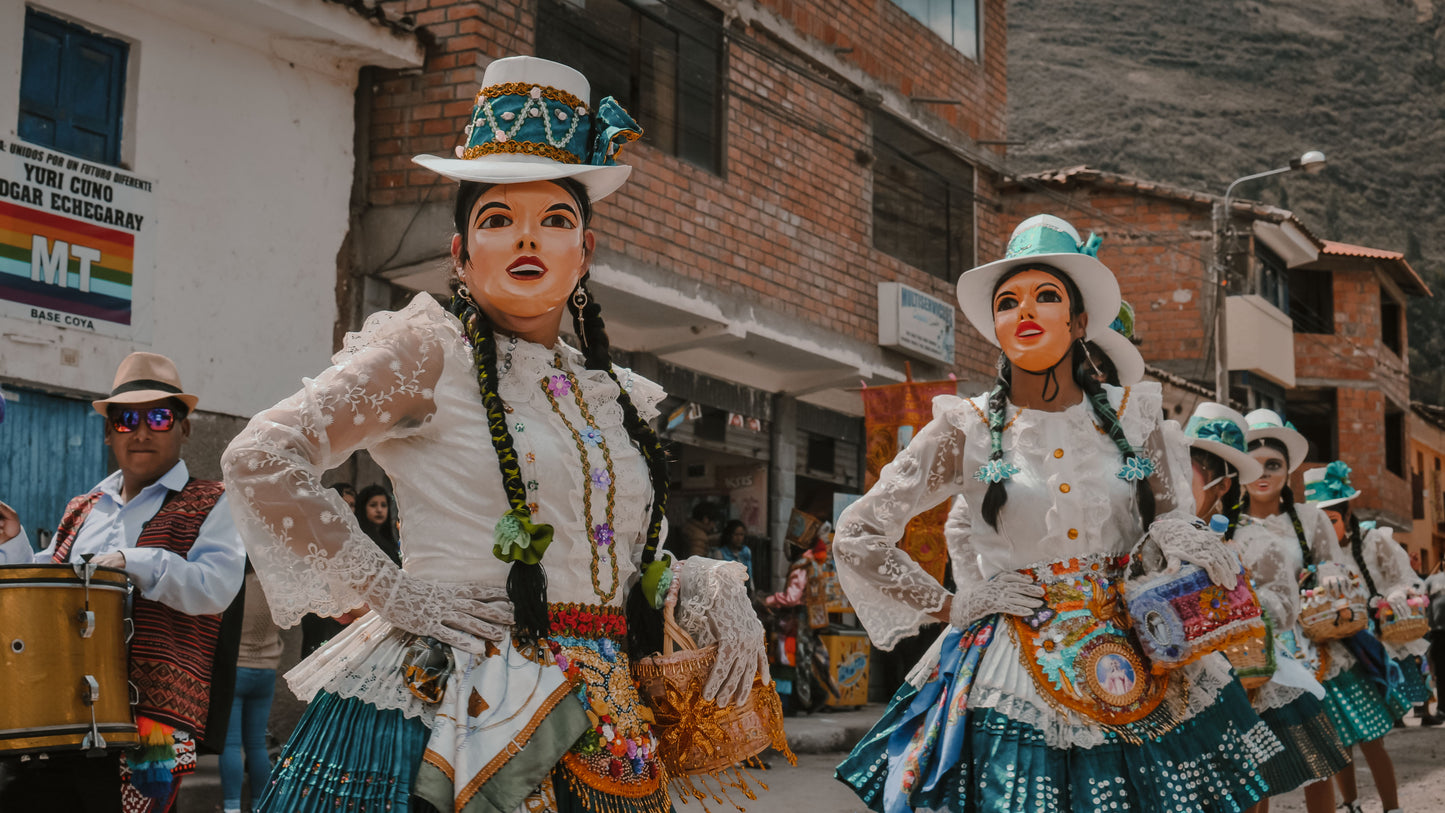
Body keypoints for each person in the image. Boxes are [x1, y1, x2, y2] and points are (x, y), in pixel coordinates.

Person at [221, 56, 770, 813]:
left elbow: (606, 556)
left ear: (585, 252)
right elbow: (260, 454)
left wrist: (699, 581)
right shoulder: (423, 355)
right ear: (459, 254)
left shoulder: (621, 396)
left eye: (555, 220)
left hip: (607, 717)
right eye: (496, 220)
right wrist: (393, 592)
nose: (528, 240)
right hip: (447, 700)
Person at [833, 214, 1281, 812]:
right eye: (1009, 302)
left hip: (1141, 651)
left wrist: (1187, 538)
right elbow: (859, 532)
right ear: (994, 326)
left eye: (1046, 297)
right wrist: (954, 604)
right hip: (1012, 665)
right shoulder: (963, 427)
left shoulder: (1137, 417)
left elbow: (1164, 524)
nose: (1026, 312)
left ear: (1078, 322)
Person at [0, 351, 246, 813]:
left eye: (158, 417)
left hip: (150, 726)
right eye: (126, 418)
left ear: (183, 427)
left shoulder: (215, 501)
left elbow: (216, 587)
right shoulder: (84, 506)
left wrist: (134, 561)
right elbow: (50, 587)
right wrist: (13, 547)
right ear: (109, 431)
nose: (141, 430)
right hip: (59, 717)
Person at [1189, 407, 1349, 813]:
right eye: (1255, 464)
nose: (1263, 474)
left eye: (1273, 464)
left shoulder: (1309, 519)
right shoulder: (1226, 524)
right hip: (1235, 646)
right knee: (1249, 763)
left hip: (1298, 640)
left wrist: (1328, 578)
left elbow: (1334, 564)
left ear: (1288, 472)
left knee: (1313, 756)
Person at [1303, 462, 1415, 813]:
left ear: (1346, 514)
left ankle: (1391, 808)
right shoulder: (1307, 552)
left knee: (1371, 739)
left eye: (1330, 520)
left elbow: (1401, 581)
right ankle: (1351, 804)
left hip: (1362, 654)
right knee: (1336, 743)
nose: (1324, 528)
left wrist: (1391, 599)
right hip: (1320, 657)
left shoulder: (1372, 543)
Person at [221, 561, 282, 813]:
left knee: (231, 745)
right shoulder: (276, 582)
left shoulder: (234, 581)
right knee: (257, 744)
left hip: (235, 668)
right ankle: (260, 807)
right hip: (267, 668)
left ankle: (232, 808)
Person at [763, 526, 835, 714]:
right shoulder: (811, 562)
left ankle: (810, 698)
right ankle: (809, 698)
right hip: (810, 617)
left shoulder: (800, 566)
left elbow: (791, 598)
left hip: (797, 618)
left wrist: (770, 600)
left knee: (791, 659)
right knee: (802, 659)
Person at [354, 484, 402, 565]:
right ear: (363, 508)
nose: (379, 510)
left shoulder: (390, 541)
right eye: (373, 505)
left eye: (383, 505)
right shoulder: (359, 539)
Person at [713, 518, 755, 585]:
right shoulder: (720, 553)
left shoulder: (746, 551)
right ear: (729, 535)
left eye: (741, 535)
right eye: (736, 534)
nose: (739, 538)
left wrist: (752, 588)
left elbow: (750, 572)